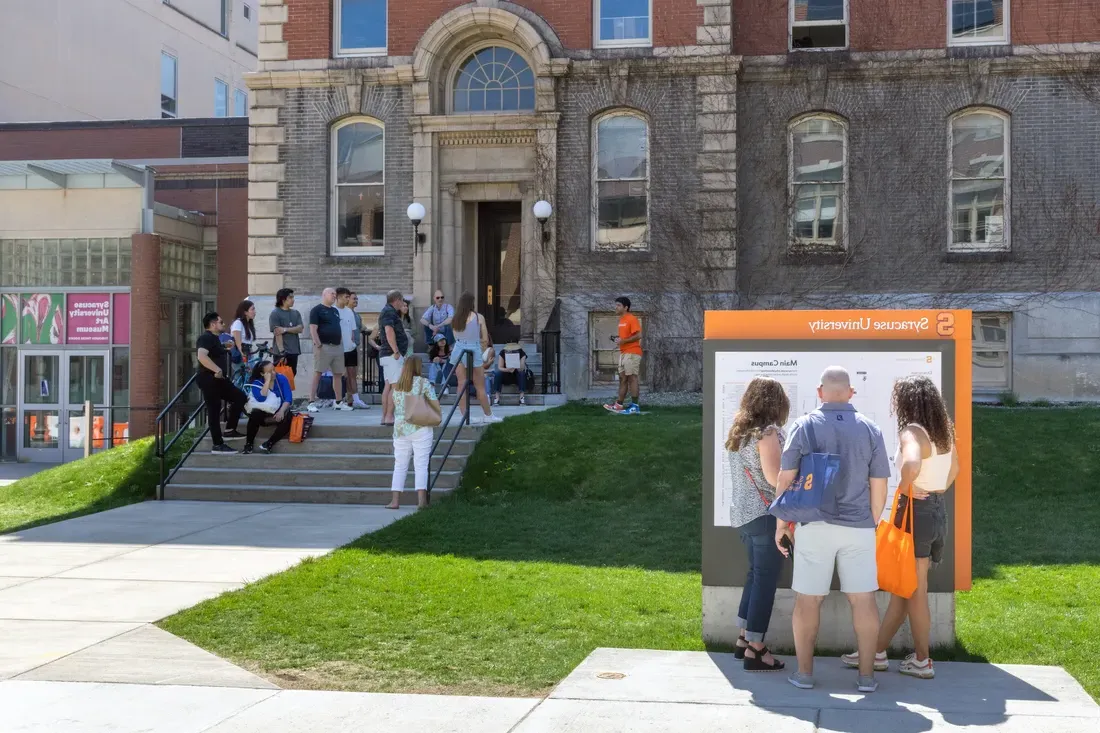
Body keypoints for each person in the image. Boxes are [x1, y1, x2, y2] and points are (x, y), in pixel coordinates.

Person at [776, 366, 890, 693]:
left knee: (808, 601)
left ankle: (805, 674)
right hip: (858, 525)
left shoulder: (804, 426)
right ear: (851, 393)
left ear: (820, 391)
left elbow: (787, 478)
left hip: (814, 523)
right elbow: (879, 484)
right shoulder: (870, 429)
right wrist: (870, 520)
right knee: (863, 601)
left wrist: (783, 522)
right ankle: (867, 677)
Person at [842, 376, 959, 680]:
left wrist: (907, 487)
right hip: (935, 511)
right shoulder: (943, 431)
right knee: (904, 589)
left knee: (915, 591)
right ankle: (876, 652)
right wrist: (934, 490)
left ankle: (922, 660)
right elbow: (955, 469)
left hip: (914, 513)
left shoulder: (912, 432)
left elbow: (910, 464)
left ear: (906, 402)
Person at [726, 377, 790, 672]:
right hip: (765, 516)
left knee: (755, 576)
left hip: (744, 515)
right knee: (765, 581)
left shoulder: (740, 433)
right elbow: (773, 477)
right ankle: (756, 647)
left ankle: (743, 638)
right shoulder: (768, 433)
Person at [388, 358, 438, 510]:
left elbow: (396, 405)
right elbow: (433, 401)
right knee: (421, 465)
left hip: (401, 429)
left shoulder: (397, 385)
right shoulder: (423, 383)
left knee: (400, 465)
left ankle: (395, 501)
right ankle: (421, 502)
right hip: (420, 427)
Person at [195, 312, 247, 454]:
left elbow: (213, 352)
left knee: (240, 397)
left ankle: (230, 430)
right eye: (221, 322)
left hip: (220, 380)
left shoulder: (215, 339)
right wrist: (216, 369)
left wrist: (224, 348)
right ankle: (218, 445)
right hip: (209, 379)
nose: (224, 324)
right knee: (214, 411)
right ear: (213, 325)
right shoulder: (205, 337)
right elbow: (201, 356)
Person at [449, 291, 501, 424]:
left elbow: (456, 338)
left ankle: (465, 416)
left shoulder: (455, 318)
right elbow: (484, 338)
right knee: (480, 386)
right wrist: (481, 349)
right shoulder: (478, 317)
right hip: (474, 350)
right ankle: (488, 415)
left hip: (459, 350)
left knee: (461, 385)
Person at [308, 287, 351, 412]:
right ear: (324, 294)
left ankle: (338, 401)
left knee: (338, 374)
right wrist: (318, 344)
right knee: (318, 373)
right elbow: (313, 329)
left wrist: (341, 343)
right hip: (324, 347)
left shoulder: (335, 311)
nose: (334, 296)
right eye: (332, 294)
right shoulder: (317, 310)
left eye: (335, 294)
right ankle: (311, 401)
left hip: (337, 347)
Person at [241, 360, 294, 455]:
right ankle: (249, 444)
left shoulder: (281, 378)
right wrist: (268, 381)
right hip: (263, 413)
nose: (273, 373)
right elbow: (261, 398)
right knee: (255, 414)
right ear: (262, 373)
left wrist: (281, 411)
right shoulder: (257, 382)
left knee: (289, 416)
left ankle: (269, 444)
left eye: (274, 370)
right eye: (269, 372)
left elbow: (288, 398)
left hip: (278, 412)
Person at [604, 296, 642, 414]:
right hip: (624, 353)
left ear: (626, 307)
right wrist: (619, 340)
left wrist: (623, 341)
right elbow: (625, 338)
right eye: (616, 305)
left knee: (632, 378)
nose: (616, 307)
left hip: (632, 353)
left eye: (618, 305)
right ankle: (619, 405)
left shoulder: (631, 319)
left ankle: (635, 406)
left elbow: (638, 335)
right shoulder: (622, 320)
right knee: (622, 379)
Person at [378, 290, 409, 426]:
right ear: (396, 300)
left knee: (389, 386)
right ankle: (389, 416)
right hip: (392, 355)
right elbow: (389, 331)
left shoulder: (388, 311)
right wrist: (396, 350)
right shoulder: (389, 312)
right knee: (396, 387)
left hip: (388, 355)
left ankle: (385, 417)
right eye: (402, 300)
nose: (403, 303)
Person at [337, 288, 369, 410]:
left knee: (353, 374)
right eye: (353, 298)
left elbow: (360, 328)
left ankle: (352, 400)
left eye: (357, 299)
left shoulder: (355, 315)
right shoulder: (338, 312)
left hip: (353, 347)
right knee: (342, 374)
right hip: (341, 348)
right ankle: (341, 399)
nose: (356, 301)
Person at [269, 288, 304, 375]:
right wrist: (282, 353)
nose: (293, 300)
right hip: (281, 353)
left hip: (294, 351)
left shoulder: (296, 313)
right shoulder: (275, 313)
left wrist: (285, 329)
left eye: (293, 297)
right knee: (280, 378)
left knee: (291, 377)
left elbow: (300, 328)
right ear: (283, 299)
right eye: (291, 297)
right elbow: (278, 333)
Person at [230, 300, 257, 377]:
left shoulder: (248, 324)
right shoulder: (238, 323)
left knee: (249, 377)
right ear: (245, 312)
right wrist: (242, 354)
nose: (254, 312)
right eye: (252, 309)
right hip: (241, 353)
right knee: (240, 379)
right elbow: (237, 341)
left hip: (248, 352)